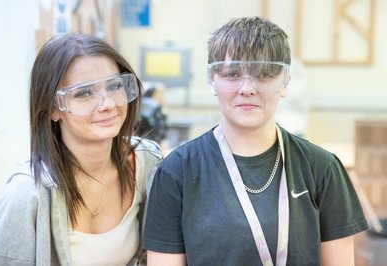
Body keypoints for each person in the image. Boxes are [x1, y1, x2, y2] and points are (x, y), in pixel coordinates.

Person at [143, 17, 368, 265]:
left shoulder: (322, 168)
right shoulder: (177, 172)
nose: (247, 88)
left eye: (264, 74)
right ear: (213, 80)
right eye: (232, 74)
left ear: (285, 81)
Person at [0, 33, 162, 265]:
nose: (108, 104)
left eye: (114, 86)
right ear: (52, 109)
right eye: (84, 93)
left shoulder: (146, 163)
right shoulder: (24, 196)